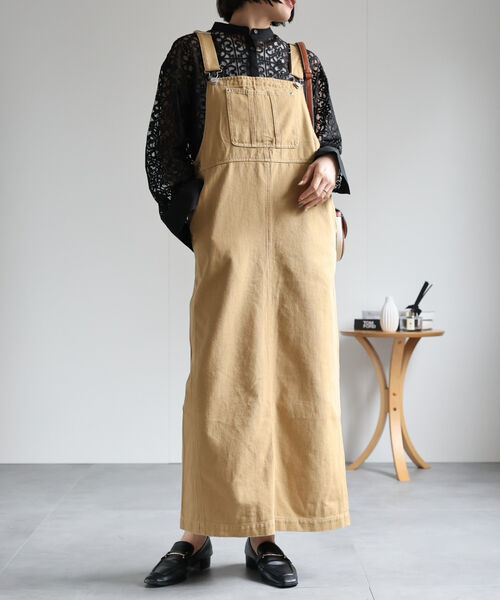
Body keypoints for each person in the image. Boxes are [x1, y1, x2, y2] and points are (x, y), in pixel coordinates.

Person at [144, 0, 351, 588]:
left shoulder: (304, 62)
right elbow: (164, 151)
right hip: (231, 237)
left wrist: (329, 162)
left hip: (299, 236)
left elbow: (329, 137)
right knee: (220, 380)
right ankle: (197, 533)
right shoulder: (193, 55)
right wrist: (205, 225)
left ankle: (265, 537)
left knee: (295, 375)